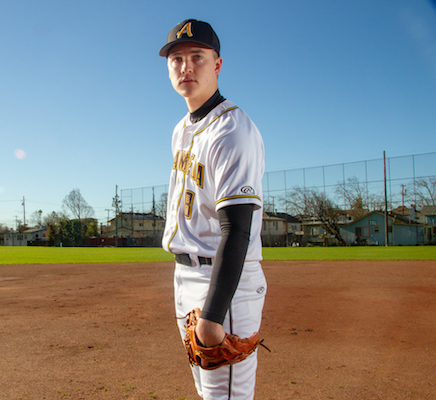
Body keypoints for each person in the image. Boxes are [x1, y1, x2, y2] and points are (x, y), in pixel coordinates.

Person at [159, 19, 267, 400]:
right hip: (185, 276)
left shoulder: (232, 130)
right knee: (209, 395)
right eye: (177, 59)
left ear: (217, 65)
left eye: (197, 57)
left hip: (223, 285)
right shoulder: (180, 130)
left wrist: (213, 314)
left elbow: (236, 230)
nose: (185, 67)